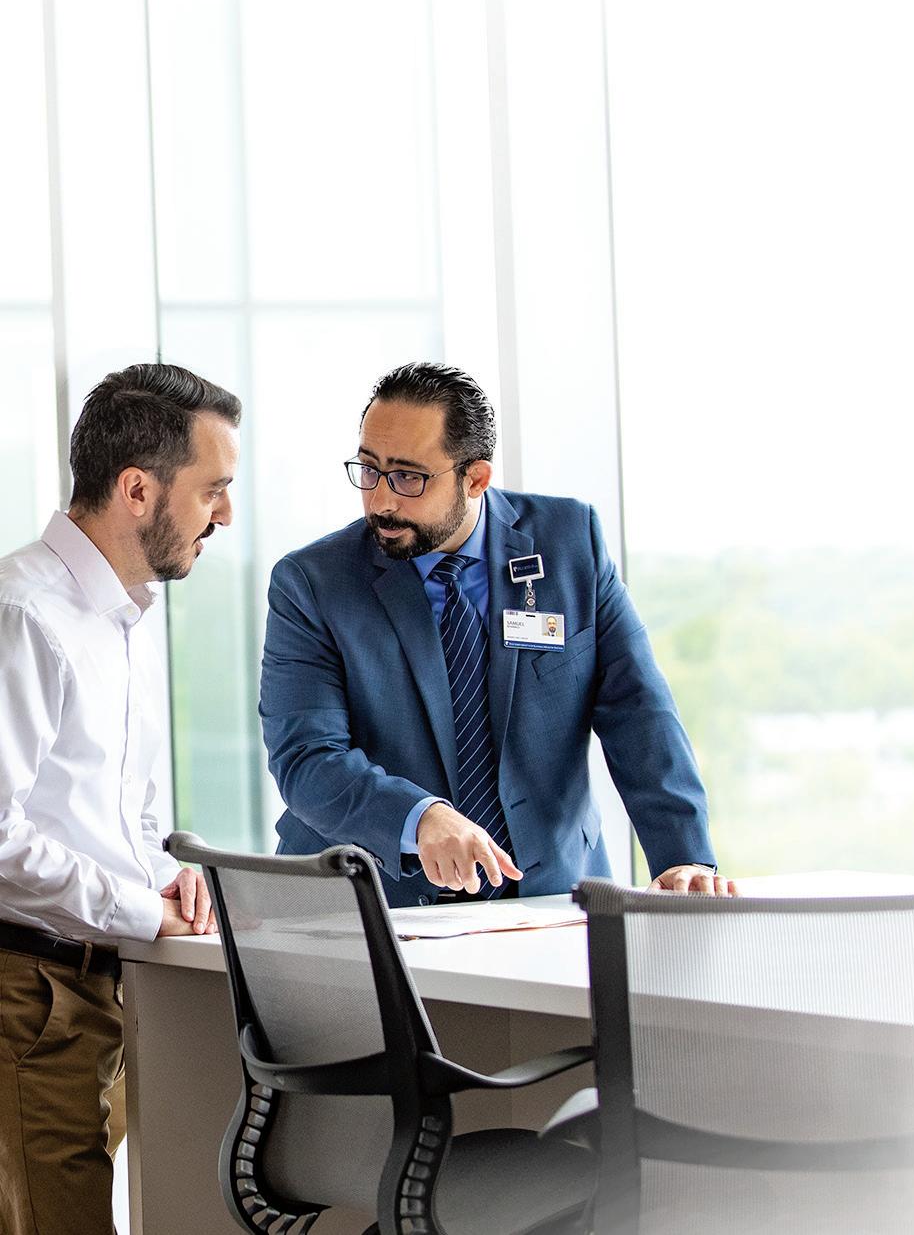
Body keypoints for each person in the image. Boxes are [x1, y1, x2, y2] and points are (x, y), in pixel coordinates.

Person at [262, 361, 733, 905]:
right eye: (368, 469)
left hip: (549, 894)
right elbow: (308, 757)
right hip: (375, 903)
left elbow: (638, 710)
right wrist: (419, 819)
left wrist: (683, 856)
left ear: (476, 478)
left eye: (408, 477)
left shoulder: (569, 544)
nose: (381, 500)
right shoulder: (312, 583)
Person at [0, 362, 241, 1235]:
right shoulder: (25, 613)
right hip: (33, 993)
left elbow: (112, 804)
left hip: (104, 984)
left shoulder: (121, 615)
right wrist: (141, 907)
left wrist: (163, 877)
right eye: (212, 489)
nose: (226, 515)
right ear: (137, 489)